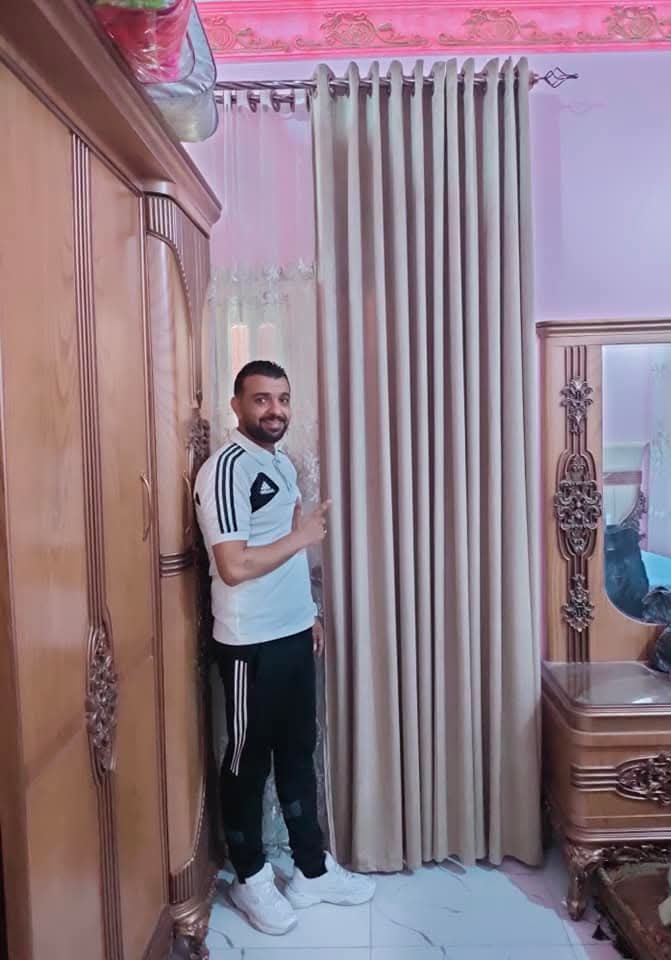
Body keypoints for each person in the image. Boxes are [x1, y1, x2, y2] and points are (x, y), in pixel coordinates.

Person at [194, 360, 375, 936]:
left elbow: (286, 549)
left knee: (299, 751)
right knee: (248, 762)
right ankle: (250, 878)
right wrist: (301, 537)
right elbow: (233, 564)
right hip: (250, 643)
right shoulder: (225, 470)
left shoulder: (281, 463)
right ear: (237, 406)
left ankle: (312, 871)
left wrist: (310, 612)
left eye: (283, 399)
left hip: (294, 633)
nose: (275, 410)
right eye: (262, 399)